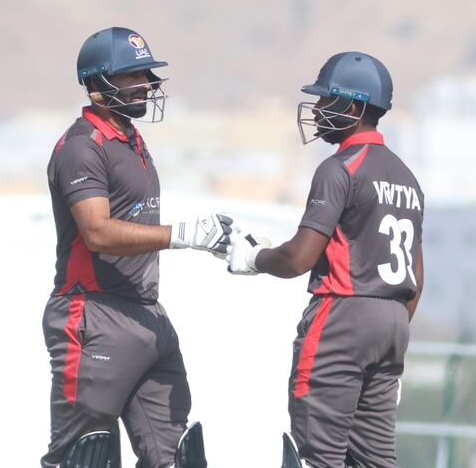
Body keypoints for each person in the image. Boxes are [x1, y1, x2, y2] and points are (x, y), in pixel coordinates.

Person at [41, 27, 230, 468]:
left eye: (145, 74)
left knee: (177, 459)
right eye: (131, 75)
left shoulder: (131, 139)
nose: (144, 83)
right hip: (93, 313)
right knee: (81, 458)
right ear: (97, 85)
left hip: (148, 314)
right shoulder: (81, 146)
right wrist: (183, 234)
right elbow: (99, 232)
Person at [228, 52, 425, 468]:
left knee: (318, 457)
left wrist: (254, 257)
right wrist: (385, 339)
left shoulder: (339, 168)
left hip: (342, 318)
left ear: (352, 107)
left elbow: (300, 257)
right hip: (393, 322)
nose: (317, 110)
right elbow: (415, 276)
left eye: (326, 100)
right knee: (376, 460)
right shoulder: (407, 177)